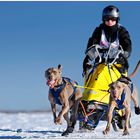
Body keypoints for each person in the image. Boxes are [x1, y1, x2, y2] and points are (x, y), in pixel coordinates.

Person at [83, 5, 132, 75]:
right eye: (107, 19)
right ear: (103, 19)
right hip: (100, 64)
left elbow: (127, 44)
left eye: (113, 19)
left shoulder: (122, 31)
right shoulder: (99, 30)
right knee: (91, 79)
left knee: (122, 84)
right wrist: (89, 56)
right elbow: (92, 44)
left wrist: (125, 54)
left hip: (118, 65)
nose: (110, 21)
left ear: (117, 19)